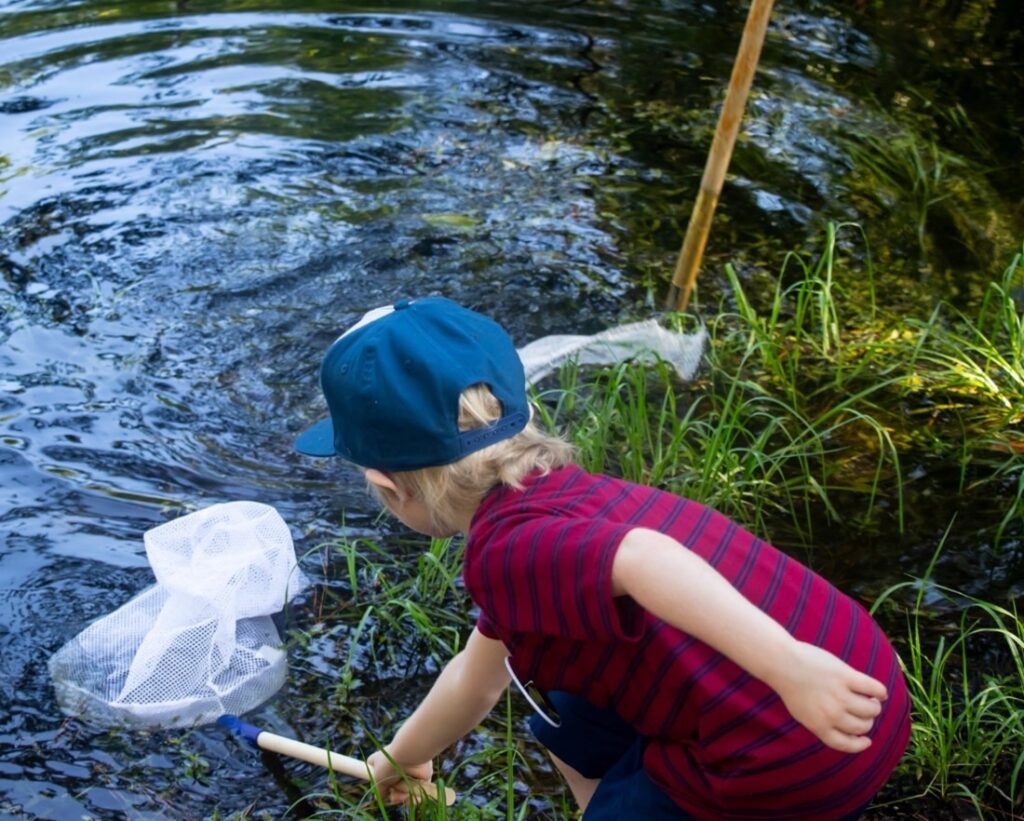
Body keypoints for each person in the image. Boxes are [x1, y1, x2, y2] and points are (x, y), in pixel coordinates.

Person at [294, 296, 911, 820]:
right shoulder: (561, 499)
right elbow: (477, 676)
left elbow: (642, 556)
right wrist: (405, 756)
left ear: (387, 485)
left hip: (793, 751)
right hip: (865, 686)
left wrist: (789, 668)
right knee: (559, 711)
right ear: (525, 415)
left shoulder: (507, 552)